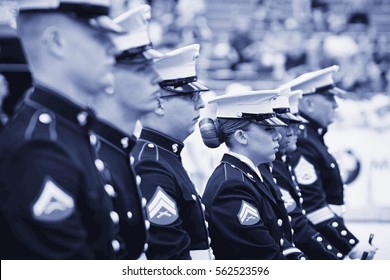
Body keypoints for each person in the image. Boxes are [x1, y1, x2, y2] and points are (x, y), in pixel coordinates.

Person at [0, 0, 145, 259]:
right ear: (56, 42)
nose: (113, 48)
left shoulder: (68, 129)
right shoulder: (39, 147)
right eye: (99, 36)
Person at [91, 4, 164, 259]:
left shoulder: (119, 148)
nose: (157, 78)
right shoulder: (96, 153)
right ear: (108, 78)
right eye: (142, 69)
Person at [200, 89, 306, 260]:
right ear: (241, 136)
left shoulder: (245, 175)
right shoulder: (232, 185)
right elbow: (264, 257)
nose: (277, 136)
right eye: (268, 129)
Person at [285, 65, 378, 259]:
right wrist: (349, 247)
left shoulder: (312, 137)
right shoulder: (302, 140)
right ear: (309, 104)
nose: (336, 105)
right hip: (313, 242)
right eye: (330, 98)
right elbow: (314, 209)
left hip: (322, 238)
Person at [132, 44, 213, 260]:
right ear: (159, 103)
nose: (201, 104)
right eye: (190, 96)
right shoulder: (150, 164)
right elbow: (167, 257)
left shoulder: (164, 156)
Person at [267, 87, 343, 259]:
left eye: (295, 125)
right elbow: (301, 220)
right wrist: (340, 254)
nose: (295, 131)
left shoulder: (281, 163)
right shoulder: (277, 164)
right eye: (286, 125)